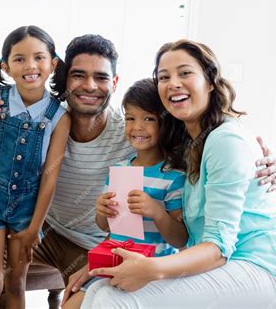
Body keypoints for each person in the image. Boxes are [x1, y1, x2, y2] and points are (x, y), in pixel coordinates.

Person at [0, 34, 276, 307]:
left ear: (114, 82)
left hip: (92, 243)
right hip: (45, 229)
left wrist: (260, 157)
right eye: (79, 75)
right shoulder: (48, 122)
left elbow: (199, 140)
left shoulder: (133, 131)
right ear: (63, 78)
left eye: (100, 77)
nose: (89, 86)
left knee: (89, 299)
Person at [81, 40, 276, 308]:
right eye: (164, 77)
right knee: (98, 292)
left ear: (210, 81)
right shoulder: (188, 142)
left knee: (113, 299)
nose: (173, 83)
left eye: (185, 73)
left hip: (263, 269)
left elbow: (218, 248)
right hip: (224, 264)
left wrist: (151, 268)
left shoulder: (225, 140)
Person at [0, 25, 70, 308]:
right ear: (7, 67)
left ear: (53, 64)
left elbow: (50, 176)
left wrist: (35, 226)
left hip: (27, 209)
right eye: (20, 59)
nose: (30, 65)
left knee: (16, 283)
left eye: (39, 57)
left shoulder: (59, 117)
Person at [63, 78, 188, 308]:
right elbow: (105, 227)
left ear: (166, 124)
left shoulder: (173, 177)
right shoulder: (119, 170)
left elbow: (180, 238)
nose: (137, 127)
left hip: (149, 273)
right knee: (69, 304)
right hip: (112, 263)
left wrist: (157, 212)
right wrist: (101, 210)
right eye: (130, 118)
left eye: (148, 119)